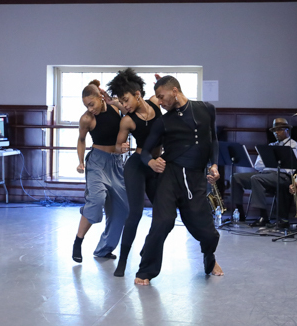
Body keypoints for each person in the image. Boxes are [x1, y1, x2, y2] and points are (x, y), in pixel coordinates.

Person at [134, 75, 222, 286]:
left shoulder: (206, 108)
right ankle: (146, 270)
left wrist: (215, 164)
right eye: (157, 98)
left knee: (208, 233)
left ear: (175, 91)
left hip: (195, 178)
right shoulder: (163, 121)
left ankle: (209, 260)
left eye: (162, 97)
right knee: (163, 222)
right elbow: (145, 152)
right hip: (169, 176)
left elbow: (213, 140)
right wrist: (151, 162)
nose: (160, 102)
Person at [105, 68, 162, 277]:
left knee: (163, 214)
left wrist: (160, 79)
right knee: (135, 213)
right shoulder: (127, 120)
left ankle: (147, 248)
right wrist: (122, 148)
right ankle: (123, 261)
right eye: (120, 100)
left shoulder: (157, 103)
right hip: (137, 165)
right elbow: (118, 145)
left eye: (126, 99)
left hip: (157, 165)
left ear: (138, 94)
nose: (124, 105)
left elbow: (166, 91)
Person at [72, 80, 129, 263]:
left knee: (121, 210)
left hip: (116, 163)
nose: (90, 109)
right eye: (86, 106)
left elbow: (130, 112)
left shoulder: (115, 107)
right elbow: (81, 140)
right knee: (96, 200)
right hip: (97, 162)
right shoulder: (87, 119)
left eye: (92, 104)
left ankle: (104, 249)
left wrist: (114, 101)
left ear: (100, 97)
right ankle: (78, 242)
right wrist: (81, 162)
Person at [230, 118, 297, 227]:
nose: (276, 132)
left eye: (280, 130)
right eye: (274, 130)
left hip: (282, 177)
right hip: (265, 175)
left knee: (256, 178)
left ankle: (263, 216)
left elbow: (292, 168)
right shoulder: (271, 146)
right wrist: (274, 164)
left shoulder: (293, 145)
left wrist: (270, 164)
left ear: (287, 130)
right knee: (236, 177)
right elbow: (258, 165)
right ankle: (239, 211)